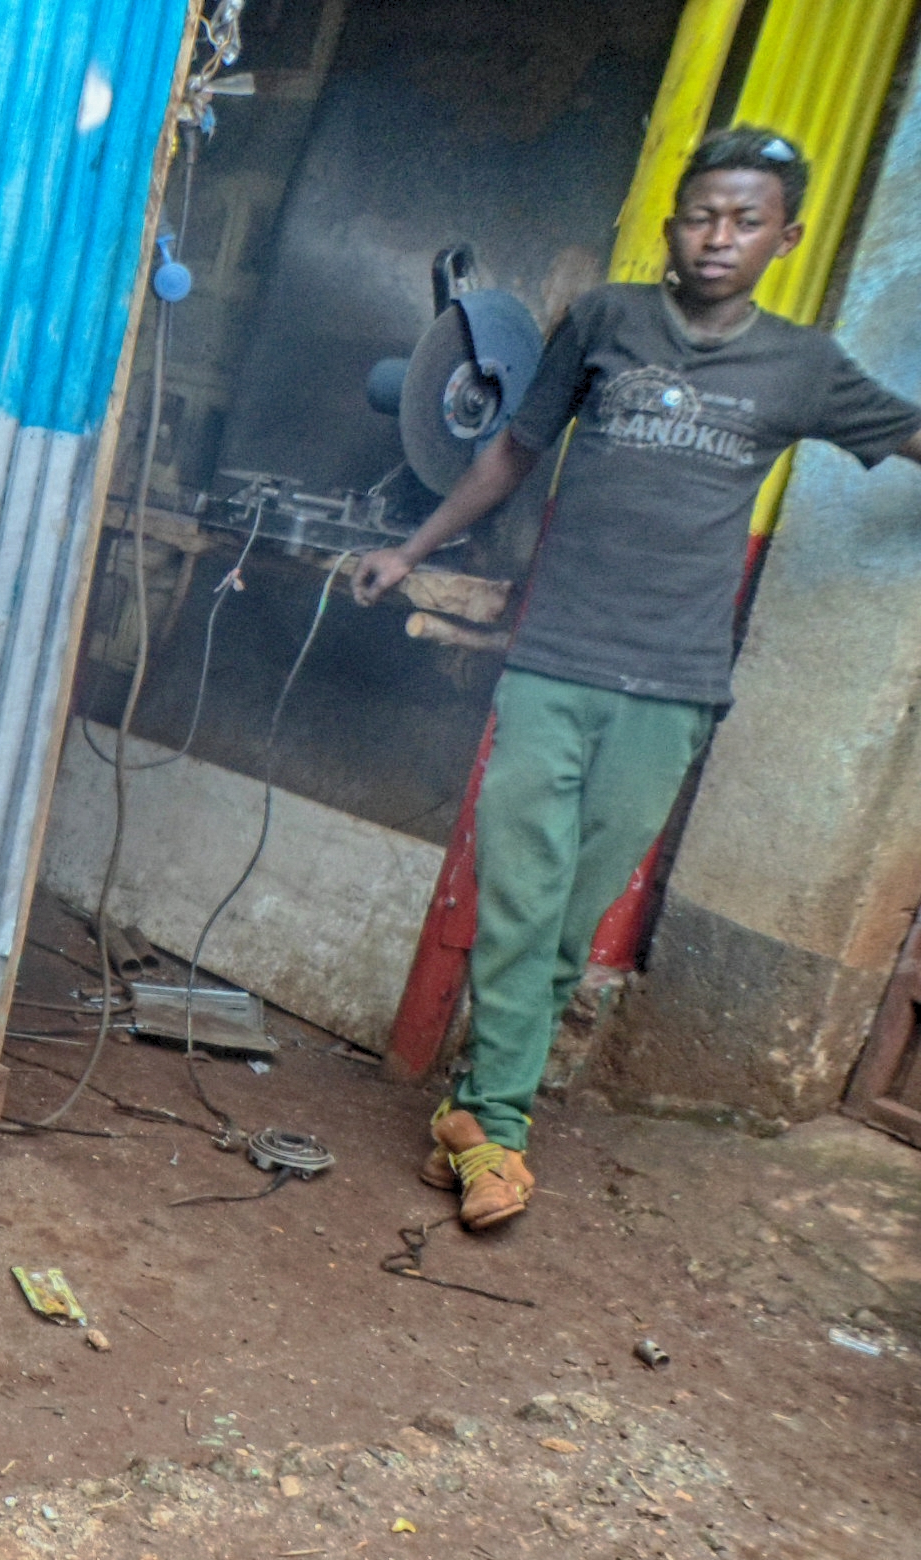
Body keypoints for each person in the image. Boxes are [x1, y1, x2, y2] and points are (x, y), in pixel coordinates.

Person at [353, 125, 921, 1231]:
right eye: (703, 214)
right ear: (673, 223)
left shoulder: (803, 367)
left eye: (746, 221)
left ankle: (471, 1114)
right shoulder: (605, 321)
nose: (719, 237)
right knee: (521, 889)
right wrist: (411, 549)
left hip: (672, 686)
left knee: (568, 919)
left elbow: (909, 434)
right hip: (554, 661)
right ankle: (503, 1134)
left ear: (785, 238)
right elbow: (511, 453)